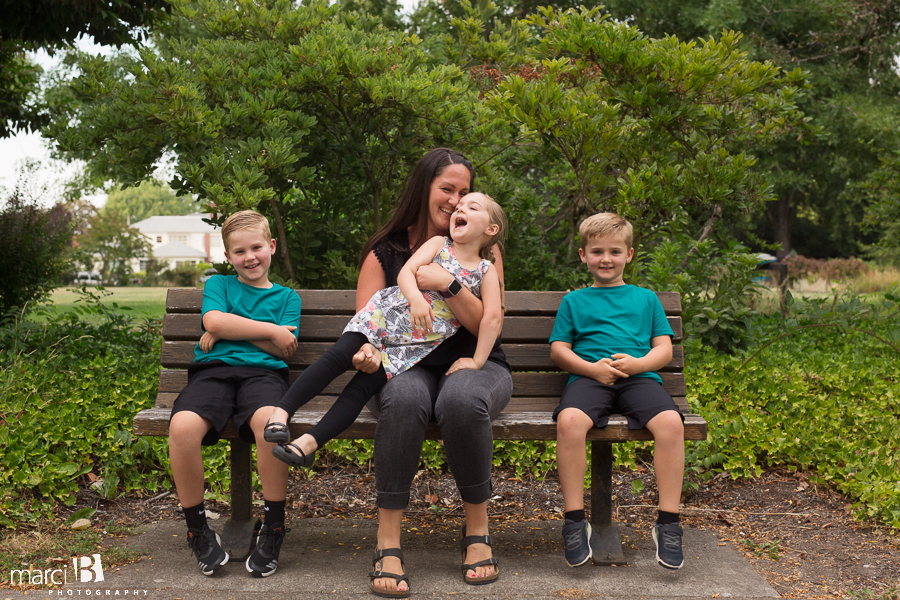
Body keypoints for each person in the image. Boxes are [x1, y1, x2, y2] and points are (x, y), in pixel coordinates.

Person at [347, 149, 512, 598]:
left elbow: (486, 326)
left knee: (461, 399)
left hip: (476, 364)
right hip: (406, 365)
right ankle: (388, 541)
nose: (456, 201)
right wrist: (365, 356)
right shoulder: (387, 253)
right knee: (405, 400)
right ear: (425, 190)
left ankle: (476, 531)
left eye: (465, 193)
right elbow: (367, 328)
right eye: (448, 189)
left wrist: (447, 283)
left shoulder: (483, 251)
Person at [262, 193, 506, 475]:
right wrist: (415, 298)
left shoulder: (486, 272)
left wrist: (477, 361)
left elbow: (492, 319)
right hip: (383, 317)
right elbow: (406, 272)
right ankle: (280, 413)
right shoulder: (440, 244)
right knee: (337, 358)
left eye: (471, 207)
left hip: (413, 347)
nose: (459, 208)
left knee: (362, 387)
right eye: (459, 207)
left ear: (491, 229)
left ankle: (307, 444)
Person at [167, 210, 301, 578]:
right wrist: (265, 330)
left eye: (257, 247)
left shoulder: (288, 297)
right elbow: (213, 321)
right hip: (213, 373)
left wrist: (231, 329)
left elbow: (282, 348)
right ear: (229, 257)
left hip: (263, 375)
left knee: (269, 425)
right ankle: (197, 529)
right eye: (239, 252)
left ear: (271, 246)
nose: (250, 257)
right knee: (181, 428)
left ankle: (274, 528)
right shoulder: (220, 287)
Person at [549, 212, 686, 570]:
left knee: (671, 423)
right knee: (569, 422)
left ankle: (669, 524)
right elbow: (559, 350)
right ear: (583, 255)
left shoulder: (645, 299)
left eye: (614, 251)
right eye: (596, 251)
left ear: (630, 254)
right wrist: (591, 368)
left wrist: (639, 364)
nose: (605, 259)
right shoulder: (574, 302)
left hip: (639, 378)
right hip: (589, 378)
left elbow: (663, 349)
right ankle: (575, 521)